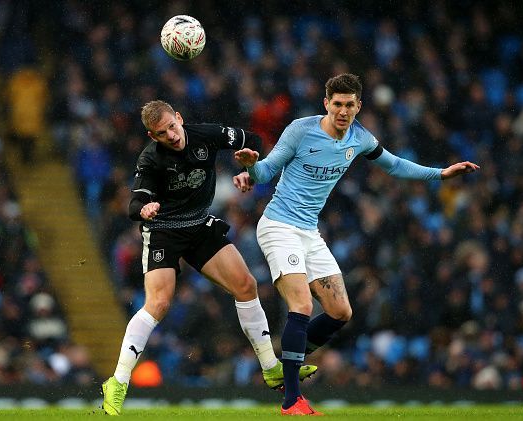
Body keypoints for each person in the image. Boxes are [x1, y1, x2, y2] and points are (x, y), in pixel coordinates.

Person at [234, 73, 480, 415]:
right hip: (279, 226)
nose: (343, 111)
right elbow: (267, 172)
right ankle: (291, 399)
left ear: (358, 106)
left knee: (340, 312)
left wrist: (440, 174)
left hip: (309, 232)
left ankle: (286, 364)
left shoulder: (361, 138)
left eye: (350, 105)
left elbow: (394, 166)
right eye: (337, 104)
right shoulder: (300, 130)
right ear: (326, 103)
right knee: (302, 306)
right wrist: (252, 166)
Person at [101, 100, 317, 416]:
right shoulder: (151, 160)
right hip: (164, 230)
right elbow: (135, 203)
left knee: (245, 285)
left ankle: (271, 368)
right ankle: (117, 382)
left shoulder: (207, 135)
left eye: (172, 126)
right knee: (158, 304)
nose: (171, 136)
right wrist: (144, 210)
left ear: (179, 117)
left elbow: (252, 141)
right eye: (162, 133)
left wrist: (251, 166)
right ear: (152, 136)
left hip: (199, 224)